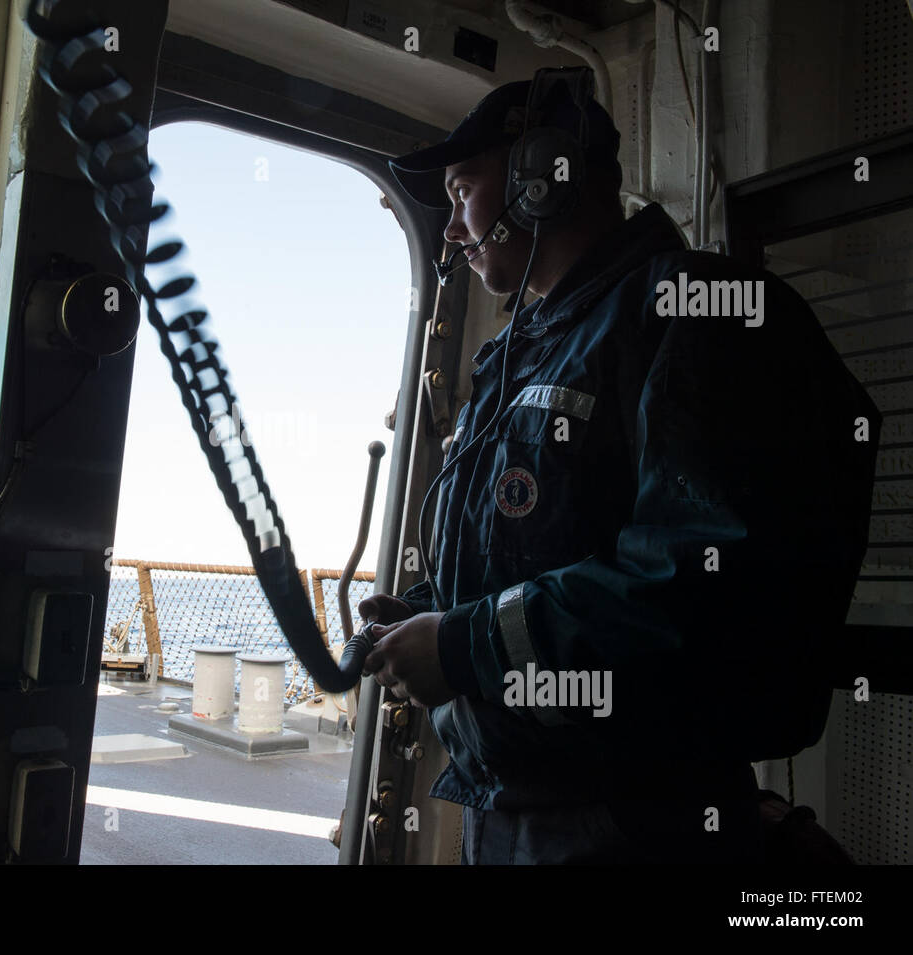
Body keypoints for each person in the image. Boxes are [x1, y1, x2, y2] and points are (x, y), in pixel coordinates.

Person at [359, 74, 880, 864]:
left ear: (539, 179)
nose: (453, 229)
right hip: (507, 811)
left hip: (634, 827)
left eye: (464, 191)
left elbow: (698, 583)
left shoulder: (697, 313)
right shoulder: (521, 352)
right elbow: (550, 546)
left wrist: (463, 646)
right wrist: (430, 615)